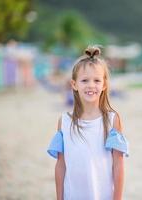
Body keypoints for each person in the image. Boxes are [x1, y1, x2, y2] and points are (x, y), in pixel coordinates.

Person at [47, 45, 129, 200]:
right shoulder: (64, 122)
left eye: (96, 80)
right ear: (74, 85)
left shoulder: (112, 120)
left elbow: (118, 165)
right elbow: (61, 165)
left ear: (104, 85)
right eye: (84, 80)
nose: (91, 85)